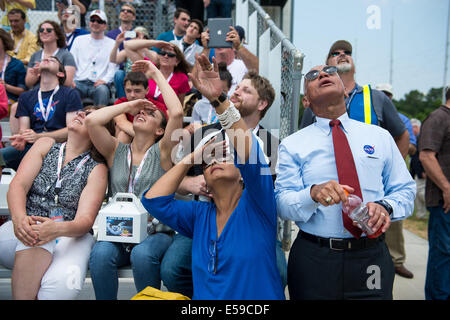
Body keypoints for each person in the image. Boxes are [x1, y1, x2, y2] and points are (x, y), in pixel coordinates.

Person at [141, 54, 285, 300]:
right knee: (172, 267)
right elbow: (155, 195)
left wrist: (218, 98)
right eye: (209, 160)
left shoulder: (261, 181)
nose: (215, 160)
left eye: (227, 157)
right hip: (205, 213)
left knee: (280, 270)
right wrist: (192, 160)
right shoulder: (199, 216)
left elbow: (246, 149)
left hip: (254, 233)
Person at [276, 65, 416, 300]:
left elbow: (405, 189)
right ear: (306, 101)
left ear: (346, 91)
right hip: (314, 258)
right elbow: (282, 203)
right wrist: (311, 194)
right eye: (312, 75)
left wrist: (385, 206)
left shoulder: (379, 137)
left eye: (330, 71)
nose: (322, 75)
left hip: (371, 257)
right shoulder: (292, 145)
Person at [86, 59, 184, 300]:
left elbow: (178, 112)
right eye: (140, 112)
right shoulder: (115, 150)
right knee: (99, 253)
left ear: (159, 130)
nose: (142, 112)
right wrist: (131, 104)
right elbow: (92, 121)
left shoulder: (162, 152)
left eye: (150, 113)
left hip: (154, 233)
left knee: (142, 255)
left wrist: (156, 74)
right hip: (118, 231)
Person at [0, 105, 109, 300]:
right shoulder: (46, 144)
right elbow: (18, 187)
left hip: (68, 234)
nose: (82, 114)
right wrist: (19, 220)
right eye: (83, 111)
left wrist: (56, 229)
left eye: (90, 117)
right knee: (35, 233)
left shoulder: (97, 168)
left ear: (99, 131)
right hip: (23, 226)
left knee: (56, 283)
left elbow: (85, 220)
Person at [300, 40, 410, 158]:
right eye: (335, 54)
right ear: (326, 67)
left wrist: (393, 172)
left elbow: (402, 136)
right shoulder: (316, 102)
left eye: (347, 53)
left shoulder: (377, 98)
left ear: (355, 68)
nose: (342, 54)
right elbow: (304, 142)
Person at [0, 56, 83, 171]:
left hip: (60, 147)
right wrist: (22, 137)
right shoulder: (26, 96)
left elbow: (72, 131)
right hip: (31, 147)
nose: (46, 59)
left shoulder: (70, 94)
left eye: (52, 60)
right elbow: (24, 129)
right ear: (38, 73)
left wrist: (39, 137)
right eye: (44, 59)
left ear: (60, 74)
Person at [375, 83, 415, 279]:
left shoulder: (402, 119)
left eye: (388, 94)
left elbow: (412, 144)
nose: (385, 97)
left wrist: (393, 166)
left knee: (394, 220)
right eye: (381, 94)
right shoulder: (371, 112)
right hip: (371, 172)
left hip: (390, 173)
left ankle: (396, 260)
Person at [419, 89, 450, 300]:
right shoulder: (439, 117)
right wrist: (447, 188)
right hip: (444, 202)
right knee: (444, 254)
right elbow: (426, 155)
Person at [124, 39, 191, 113]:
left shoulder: (182, 78)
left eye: (171, 55)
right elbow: (127, 45)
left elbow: (179, 106)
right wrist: (155, 43)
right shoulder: (148, 67)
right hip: (143, 113)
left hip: (165, 117)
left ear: (177, 61)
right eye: (162, 53)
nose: (166, 56)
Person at [71, 10, 117, 106]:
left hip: (99, 83)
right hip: (79, 81)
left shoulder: (112, 43)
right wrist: (71, 79)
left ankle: (99, 120)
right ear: (89, 23)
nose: (95, 23)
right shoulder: (79, 40)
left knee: (102, 90)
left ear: (105, 25)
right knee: (70, 90)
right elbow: (72, 62)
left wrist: (105, 80)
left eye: (99, 21)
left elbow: (113, 67)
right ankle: (72, 120)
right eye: (93, 20)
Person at [199, 26, 258, 95]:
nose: (220, 43)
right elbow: (193, 81)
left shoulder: (243, 66)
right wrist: (206, 48)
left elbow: (259, 70)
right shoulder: (207, 68)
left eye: (224, 40)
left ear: (233, 46)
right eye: (217, 40)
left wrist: (239, 46)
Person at [26, 20, 77, 89]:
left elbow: (68, 82)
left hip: (59, 93)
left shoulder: (66, 55)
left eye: (49, 30)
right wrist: (36, 74)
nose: (44, 32)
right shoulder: (35, 55)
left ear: (57, 35)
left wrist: (49, 70)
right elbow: (28, 83)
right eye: (41, 30)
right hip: (38, 92)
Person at [110, 26, 149, 99]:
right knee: (119, 74)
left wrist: (142, 44)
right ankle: (124, 99)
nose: (136, 38)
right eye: (135, 36)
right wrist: (117, 44)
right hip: (128, 80)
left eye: (139, 36)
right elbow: (113, 60)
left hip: (143, 80)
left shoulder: (150, 53)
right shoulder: (126, 52)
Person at [112, 71, 150, 144]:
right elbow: (121, 123)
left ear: (147, 90)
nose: (132, 95)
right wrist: (145, 138)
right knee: (123, 133)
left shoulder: (155, 105)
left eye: (137, 91)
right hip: (145, 139)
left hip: (150, 145)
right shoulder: (120, 102)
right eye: (128, 91)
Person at [0, 29, 26, 106]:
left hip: (9, 102)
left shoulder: (17, 64)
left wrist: (5, 86)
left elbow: (22, 91)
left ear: (4, 42)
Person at [410, 118, 427, 219]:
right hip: (416, 170)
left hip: (422, 171)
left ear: (417, 127)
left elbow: (424, 155)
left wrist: (424, 171)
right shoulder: (416, 138)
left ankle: (429, 208)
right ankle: (421, 214)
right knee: (416, 192)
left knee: (421, 192)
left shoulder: (422, 138)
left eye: (413, 128)